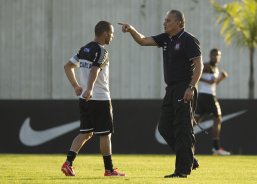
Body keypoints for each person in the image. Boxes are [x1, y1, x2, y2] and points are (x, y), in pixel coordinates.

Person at [119, 9, 203, 178]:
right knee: (164, 128)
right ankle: (188, 158)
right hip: (171, 89)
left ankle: (182, 171)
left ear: (179, 23)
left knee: (182, 128)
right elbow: (143, 41)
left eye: (168, 20)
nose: (164, 23)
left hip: (184, 87)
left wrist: (191, 87)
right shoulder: (166, 38)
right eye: (165, 20)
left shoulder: (188, 39)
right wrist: (132, 30)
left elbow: (199, 65)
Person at [61, 21, 125, 177]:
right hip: (100, 98)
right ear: (105, 33)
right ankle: (109, 170)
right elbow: (95, 70)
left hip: (85, 99)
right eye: (111, 33)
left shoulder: (84, 49)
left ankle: (68, 163)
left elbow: (68, 66)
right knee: (105, 134)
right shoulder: (102, 51)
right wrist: (89, 88)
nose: (112, 36)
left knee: (85, 133)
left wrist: (77, 87)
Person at [194, 48, 230, 156]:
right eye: (214, 55)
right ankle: (216, 147)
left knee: (195, 121)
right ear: (210, 55)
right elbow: (195, 74)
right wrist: (206, 80)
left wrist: (221, 78)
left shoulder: (216, 69)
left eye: (218, 55)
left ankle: (182, 141)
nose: (216, 57)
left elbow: (213, 83)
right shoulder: (206, 66)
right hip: (206, 96)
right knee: (217, 117)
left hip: (207, 96)